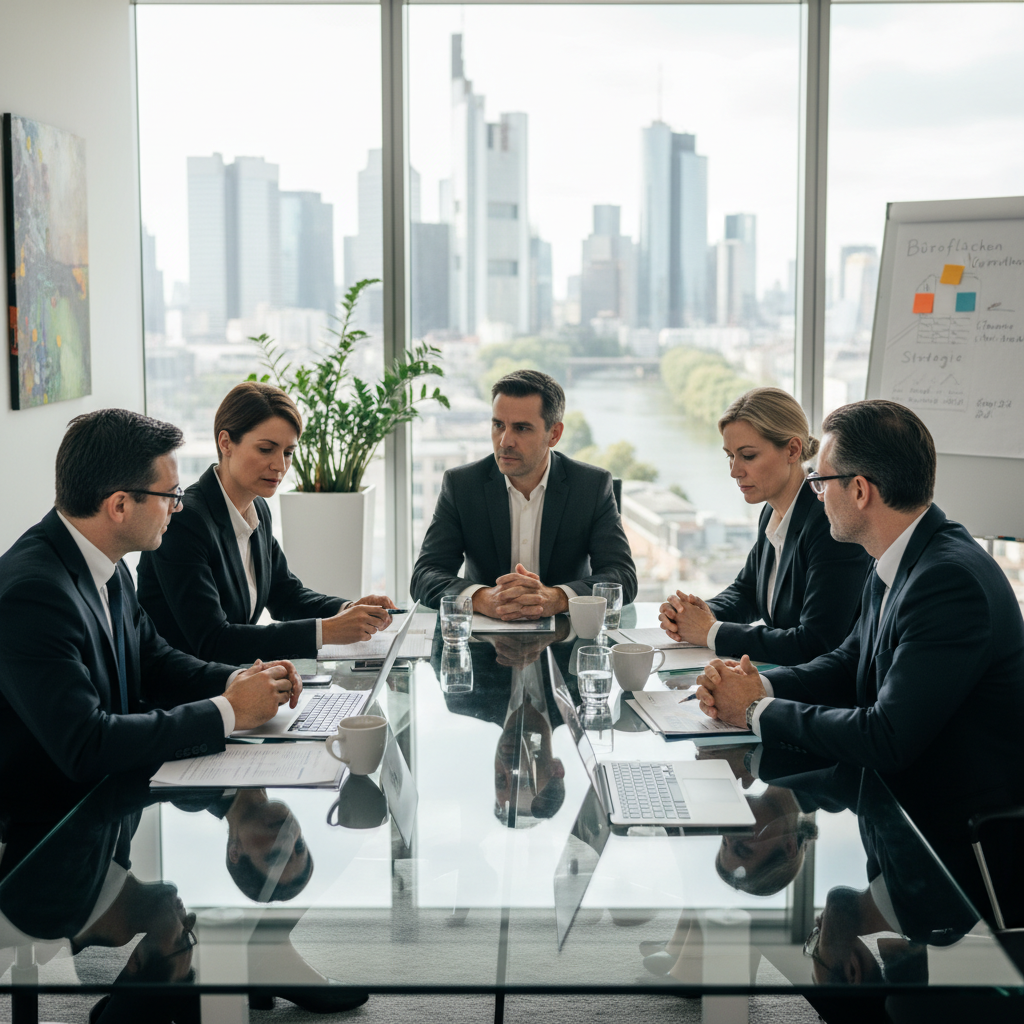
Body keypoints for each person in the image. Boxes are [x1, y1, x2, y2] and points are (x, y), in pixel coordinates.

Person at [694, 399, 1024, 910]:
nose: (816, 495)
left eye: (821, 482)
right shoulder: (899, 554)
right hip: (897, 805)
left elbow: (887, 736)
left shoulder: (948, 580)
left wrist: (755, 710)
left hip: (956, 846)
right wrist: (762, 686)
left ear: (861, 490)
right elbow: (850, 661)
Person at [0, 409, 302, 795]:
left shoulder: (104, 556)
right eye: (171, 496)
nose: (179, 507)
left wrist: (237, 681)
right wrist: (228, 711)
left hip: (116, 802)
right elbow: (86, 744)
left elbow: (155, 660)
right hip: (53, 826)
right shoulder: (32, 596)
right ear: (120, 505)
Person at [137, 382, 394, 663]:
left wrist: (348, 608)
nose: (280, 466)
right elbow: (214, 641)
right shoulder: (185, 521)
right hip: (187, 696)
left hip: (239, 681)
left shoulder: (257, 507)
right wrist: (326, 631)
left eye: (287, 452)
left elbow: (285, 595)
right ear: (226, 443)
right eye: (265, 449)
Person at [659, 387, 871, 665]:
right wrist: (697, 612)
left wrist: (711, 632)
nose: (735, 471)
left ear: (793, 450)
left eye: (747, 456)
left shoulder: (829, 522)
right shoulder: (772, 510)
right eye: (730, 456)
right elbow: (747, 592)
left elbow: (816, 643)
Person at [411, 369, 638, 616]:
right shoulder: (462, 485)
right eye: (498, 425)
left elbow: (622, 577)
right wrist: (481, 598)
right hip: (483, 642)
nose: (504, 441)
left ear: (554, 434)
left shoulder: (591, 486)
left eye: (521, 428)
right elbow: (425, 574)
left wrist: (558, 598)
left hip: (567, 642)